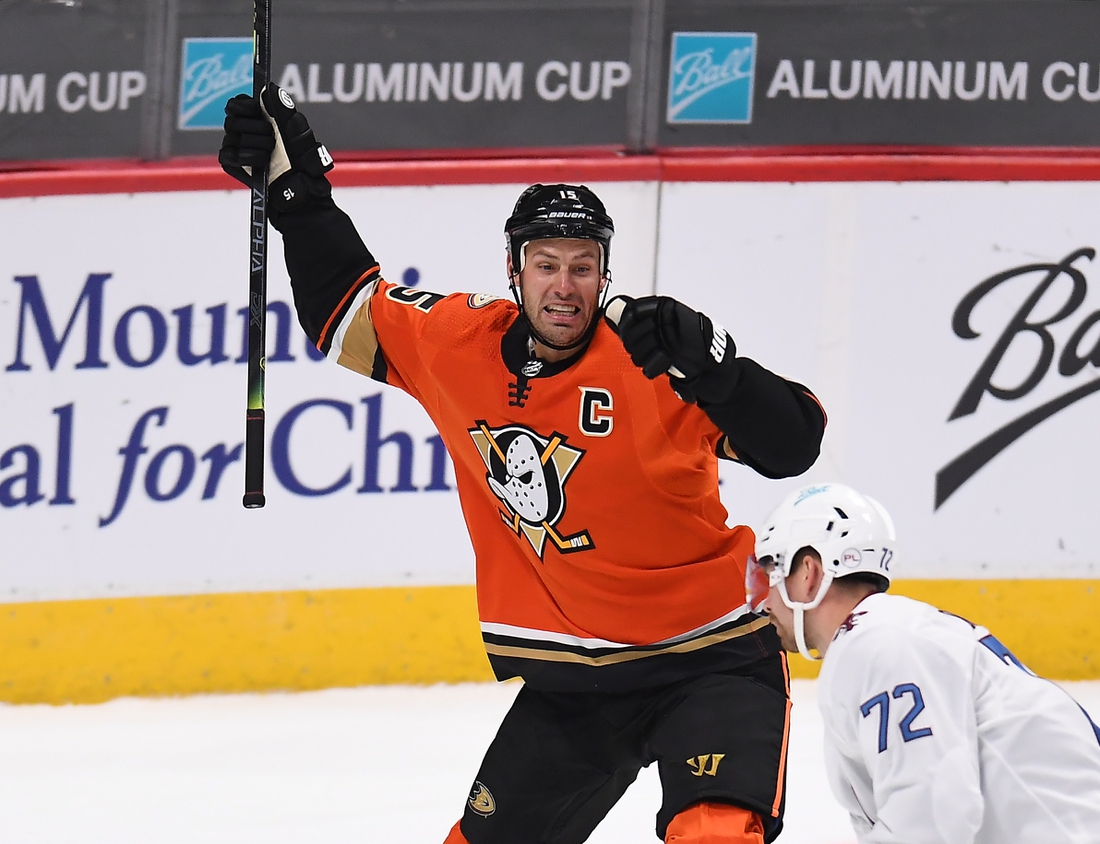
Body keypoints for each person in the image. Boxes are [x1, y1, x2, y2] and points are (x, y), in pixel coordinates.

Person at [219, 85, 827, 844]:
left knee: (713, 835)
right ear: (515, 269)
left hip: (709, 659)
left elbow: (794, 443)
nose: (564, 286)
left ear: (605, 273)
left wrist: (715, 364)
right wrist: (294, 192)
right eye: (547, 264)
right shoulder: (456, 342)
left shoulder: (654, 354)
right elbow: (346, 305)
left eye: (582, 265)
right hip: (573, 682)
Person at [749, 482, 1100, 844]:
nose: (764, 602)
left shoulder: (879, 645)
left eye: (770, 573)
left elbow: (930, 821)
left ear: (810, 572)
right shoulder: (885, 635)